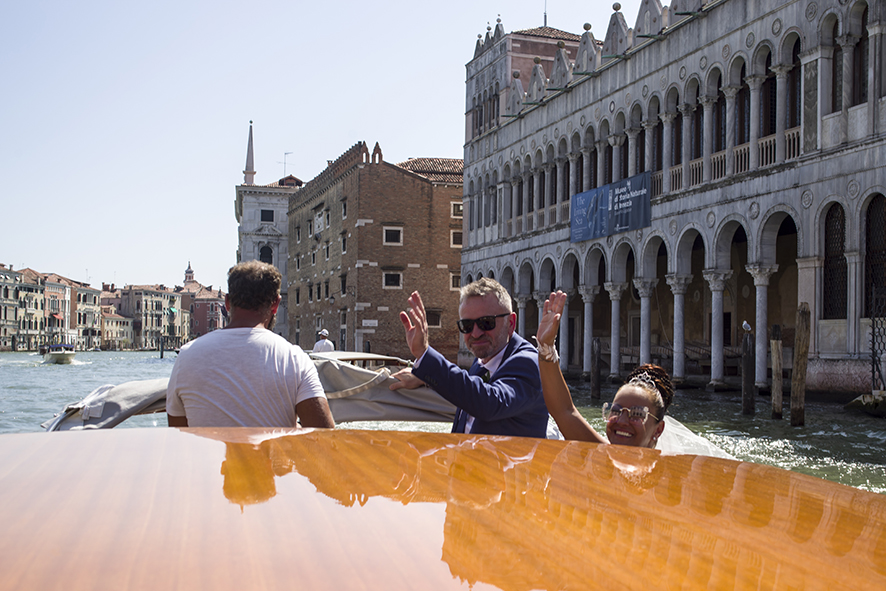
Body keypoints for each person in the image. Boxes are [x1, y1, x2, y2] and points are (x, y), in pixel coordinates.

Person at [166, 260, 335, 429]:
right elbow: (325, 437)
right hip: (269, 456)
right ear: (276, 305)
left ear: (227, 303)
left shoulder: (186, 356)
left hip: (211, 456)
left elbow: (178, 434)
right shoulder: (296, 359)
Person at [391, 277, 548, 438]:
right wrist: (425, 379)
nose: (475, 333)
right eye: (467, 325)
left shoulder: (528, 362)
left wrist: (425, 355)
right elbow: (470, 390)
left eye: (486, 323)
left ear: (511, 323)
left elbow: (489, 403)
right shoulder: (484, 357)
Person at [536, 290, 672, 448]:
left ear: (658, 430)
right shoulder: (599, 454)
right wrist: (545, 346)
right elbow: (564, 411)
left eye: (637, 414)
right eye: (616, 411)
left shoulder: (670, 471)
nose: (621, 421)